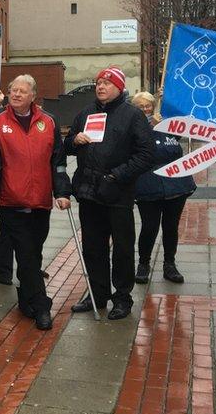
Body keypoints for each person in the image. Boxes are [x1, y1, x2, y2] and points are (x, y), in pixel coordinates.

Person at [0, 75, 72, 330]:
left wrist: (62, 192)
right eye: (13, 90)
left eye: (22, 91)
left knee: (34, 251)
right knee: (25, 251)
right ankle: (42, 306)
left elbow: (58, 161)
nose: (17, 94)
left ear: (34, 95)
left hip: (40, 200)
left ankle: (25, 299)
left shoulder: (48, 121)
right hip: (10, 199)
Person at [65, 67, 153, 320]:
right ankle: (97, 293)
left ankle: (122, 297)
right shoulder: (86, 112)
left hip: (118, 194)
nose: (100, 87)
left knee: (123, 249)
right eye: (98, 83)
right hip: (89, 192)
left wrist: (117, 175)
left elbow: (146, 155)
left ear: (119, 87)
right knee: (93, 248)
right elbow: (68, 144)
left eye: (106, 83)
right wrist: (74, 141)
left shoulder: (133, 115)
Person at [132, 91, 195, 284]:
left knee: (170, 227)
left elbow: (181, 132)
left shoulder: (166, 124)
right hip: (148, 185)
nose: (145, 109)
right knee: (149, 226)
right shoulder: (133, 127)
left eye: (148, 105)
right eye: (140, 107)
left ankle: (170, 264)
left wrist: (167, 105)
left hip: (176, 184)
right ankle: (143, 263)